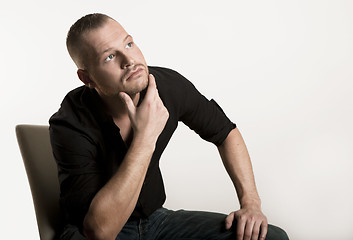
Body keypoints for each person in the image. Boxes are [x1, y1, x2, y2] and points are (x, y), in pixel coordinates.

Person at [49, 13, 289, 240]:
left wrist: (250, 204)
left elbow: (225, 132)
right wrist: (145, 137)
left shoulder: (167, 87)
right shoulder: (69, 124)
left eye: (129, 44)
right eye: (109, 57)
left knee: (272, 237)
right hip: (92, 232)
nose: (130, 60)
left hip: (156, 221)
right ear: (87, 78)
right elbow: (100, 232)